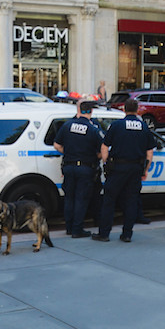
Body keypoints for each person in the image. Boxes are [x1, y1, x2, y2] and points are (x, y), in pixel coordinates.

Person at [93, 99, 154, 243]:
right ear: (137, 110)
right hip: (135, 169)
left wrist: (106, 163)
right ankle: (127, 234)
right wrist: (145, 170)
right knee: (131, 201)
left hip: (117, 168)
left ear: (124, 109)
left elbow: (104, 147)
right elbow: (149, 153)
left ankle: (104, 234)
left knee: (109, 200)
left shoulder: (116, 125)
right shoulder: (144, 127)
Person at [53, 99, 106, 238]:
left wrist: (69, 153)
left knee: (69, 198)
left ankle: (69, 228)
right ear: (91, 112)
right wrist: (97, 157)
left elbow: (57, 145)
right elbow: (102, 150)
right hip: (85, 168)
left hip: (69, 167)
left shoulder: (67, 125)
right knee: (81, 199)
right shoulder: (93, 129)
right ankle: (77, 230)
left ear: (79, 111)